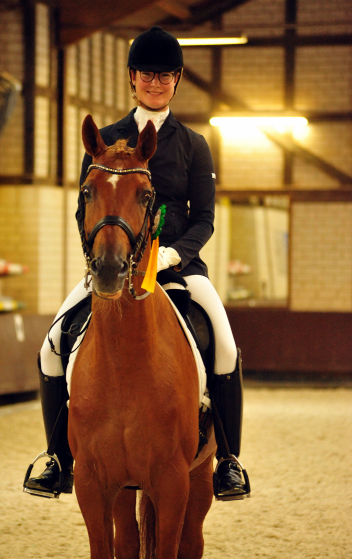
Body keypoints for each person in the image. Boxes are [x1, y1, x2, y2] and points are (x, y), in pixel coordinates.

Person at [24, 26, 250, 504]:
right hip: (115, 266)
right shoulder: (106, 139)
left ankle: (228, 460)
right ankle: (56, 459)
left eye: (165, 75)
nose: (155, 82)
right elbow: (85, 207)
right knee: (51, 346)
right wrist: (101, 259)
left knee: (225, 346)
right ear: (132, 78)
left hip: (177, 267)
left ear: (177, 80)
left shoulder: (193, 144)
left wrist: (173, 254)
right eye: (148, 73)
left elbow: (205, 217)